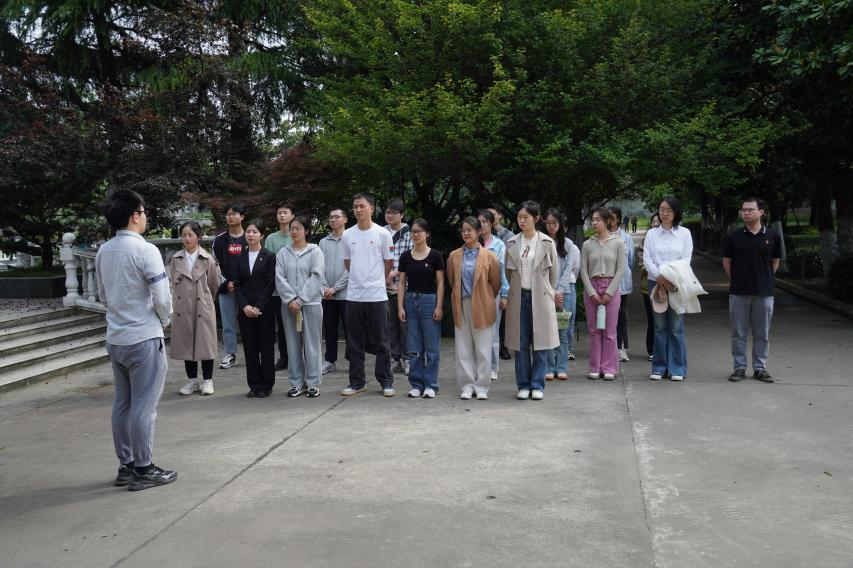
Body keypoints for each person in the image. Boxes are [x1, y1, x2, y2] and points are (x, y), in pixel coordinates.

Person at [95, 189, 175, 491]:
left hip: (116, 337)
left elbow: (103, 296)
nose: (145, 216)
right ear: (134, 215)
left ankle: (126, 465)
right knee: (144, 406)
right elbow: (162, 297)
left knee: (123, 403)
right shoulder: (145, 250)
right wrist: (164, 319)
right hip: (143, 336)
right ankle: (144, 468)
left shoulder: (104, 251)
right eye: (143, 211)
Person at [340, 193, 396, 397]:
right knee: (354, 342)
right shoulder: (347, 235)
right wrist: (359, 278)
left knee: (382, 341)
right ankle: (357, 382)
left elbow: (388, 262)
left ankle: (386, 381)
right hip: (354, 296)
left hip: (377, 296)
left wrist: (377, 280)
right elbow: (348, 263)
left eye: (362, 206)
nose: (358, 210)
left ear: (371, 208)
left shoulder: (382, 233)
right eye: (355, 206)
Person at [722, 197, 781, 383]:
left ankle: (760, 368)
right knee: (738, 333)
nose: (746, 213)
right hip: (738, 292)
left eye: (750, 209)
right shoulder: (733, 237)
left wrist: (765, 278)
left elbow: (775, 262)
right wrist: (736, 280)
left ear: (761, 212)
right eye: (743, 210)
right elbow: (727, 262)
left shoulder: (772, 236)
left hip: (764, 293)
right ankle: (739, 367)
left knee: (762, 334)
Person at [505, 201, 560, 400]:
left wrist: (546, 291)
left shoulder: (547, 242)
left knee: (541, 343)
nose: (521, 220)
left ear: (536, 219)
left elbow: (553, 275)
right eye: (519, 217)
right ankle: (523, 384)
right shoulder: (512, 243)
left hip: (540, 297)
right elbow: (508, 274)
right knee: (520, 343)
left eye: (526, 217)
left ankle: (537, 384)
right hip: (519, 297)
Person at [447, 217, 501, 399]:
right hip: (461, 303)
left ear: (479, 232)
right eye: (463, 230)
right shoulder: (454, 256)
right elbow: (452, 280)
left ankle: (482, 387)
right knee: (463, 347)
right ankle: (467, 385)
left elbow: (495, 284)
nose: (466, 233)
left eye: (470, 230)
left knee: (483, 348)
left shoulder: (490, 256)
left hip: (483, 304)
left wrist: (486, 297)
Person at [643, 196, 693, 381]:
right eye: (661, 209)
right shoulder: (651, 234)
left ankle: (677, 368)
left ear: (676, 212)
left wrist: (671, 279)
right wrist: (661, 278)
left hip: (677, 284)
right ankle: (659, 367)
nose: (664, 213)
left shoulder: (685, 233)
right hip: (656, 283)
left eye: (669, 210)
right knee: (659, 326)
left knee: (676, 327)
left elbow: (686, 260)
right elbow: (647, 259)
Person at [275, 215, 326, 398]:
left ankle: (313, 382)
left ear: (306, 231)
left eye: (298, 228)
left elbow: (316, 277)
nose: (294, 231)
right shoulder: (283, 253)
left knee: (312, 344)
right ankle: (296, 382)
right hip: (289, 306)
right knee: (292, 343)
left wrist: (301, 299)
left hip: (311, 303)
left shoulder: (315, 252)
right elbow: (279, 278)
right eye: (292, 228)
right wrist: (291, 300)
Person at [169, 221, 221, 396]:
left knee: (205, 344)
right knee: (186, 344)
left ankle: (208, 381)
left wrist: (205, 300)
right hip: (183, 307)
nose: (186, 238)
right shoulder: (176, 259)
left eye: (190, 235)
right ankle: (192, 381)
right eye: (183, 235)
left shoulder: (207, 259)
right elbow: (173, 283)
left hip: (202, 306)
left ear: (198, 237)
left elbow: (214, 284)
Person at [397, 219, 445, 398]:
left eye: (419, 231)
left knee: (431, 347)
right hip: (410, 301)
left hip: (429, 301)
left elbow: (440, 282)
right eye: (413, 231)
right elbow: (401, 283)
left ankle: (431, 384)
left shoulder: (435, 255)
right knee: (413, 346)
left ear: (427, 233)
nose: (416, 234)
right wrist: (400, 306)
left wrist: (439, 306)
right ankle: (416, 384)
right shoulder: (405, 256)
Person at [580, 208, 627, 380]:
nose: (594, 222)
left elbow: (620, 269)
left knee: (609, 330)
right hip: (592, 287)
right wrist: (591, 292)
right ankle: (595, 367)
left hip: (611, 287)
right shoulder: (587, 244)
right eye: (593, 219)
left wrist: (610, 292)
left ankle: (609, 368)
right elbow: (583, 270)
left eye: (598, 219)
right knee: (594, 330)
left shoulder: (618, 243)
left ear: (607, 221)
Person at [234, 219, 276, 397]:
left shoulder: (270, 256)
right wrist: (244, 305)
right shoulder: (240, 257)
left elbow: (270, 283)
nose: (250, 235)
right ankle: (254, 384)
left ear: (262, 235)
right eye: (248, 232)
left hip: (264, 310)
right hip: (245, 310)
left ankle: (266, 385)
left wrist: (258, 306)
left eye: (255, 232)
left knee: (266, 348)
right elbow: (237, 284)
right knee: (250, 349)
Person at [543, 208, 580, 381]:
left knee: (563, 331)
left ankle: (561, 367)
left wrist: (558, 290)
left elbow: (570, 270)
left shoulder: (569, 245)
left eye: (555, 223)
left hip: (565, 292)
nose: (551, 226)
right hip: (545, 292)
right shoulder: (541, 242)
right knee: (548, 331)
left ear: (560, 224)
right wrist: (551, 291)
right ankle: (549, 367)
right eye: (548, 223)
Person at [211, 204, 247, 370]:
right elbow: (215, 265)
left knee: (250, 320)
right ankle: (230, 354)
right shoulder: (219, 240)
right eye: (228, 214)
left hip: (247, 288)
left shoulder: (250, 236)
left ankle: (252, 352)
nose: (231, 217)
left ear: (242, 216)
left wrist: (241, 283)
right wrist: (227, 282)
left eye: (234, 214)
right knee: (228, 323)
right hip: (226, 287)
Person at [477, 210, 509, 381]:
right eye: (479, 222)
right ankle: (479, 365)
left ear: (491, 224)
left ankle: (492, 366)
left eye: (485, 222)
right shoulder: (473, 243)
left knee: (493, 331)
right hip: (476, 293)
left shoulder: (498, 245)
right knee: (477, 330)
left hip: (493, 292)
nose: (482, 225)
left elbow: (503, 270)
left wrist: (504, 294)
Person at [264, 203, 295, 371]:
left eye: (285, 212)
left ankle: (298, 357)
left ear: (292, 216)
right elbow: (268, 263)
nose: (282, 215)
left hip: (295, 289)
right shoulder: (271, 238)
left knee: (297, 326)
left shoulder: (296, 235)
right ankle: (284, 357)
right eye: (279, 213)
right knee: (281, 327)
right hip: (276, 290)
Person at [383, 198, 413, 375]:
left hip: (404, 286)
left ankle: (407, 358)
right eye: (388, 212)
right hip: (383, 287)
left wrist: (393, 275)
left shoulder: (409, 233)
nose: (390, 215)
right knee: (390, 325)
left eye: (394, 212)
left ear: (402, 215)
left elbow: (410, 258)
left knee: (405, 325)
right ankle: (394, 359)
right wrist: (384, 277)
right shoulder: (380, 232)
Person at [319, 207, 349, 375]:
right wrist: (325, 288)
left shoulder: (351, 239)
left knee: (350, 329)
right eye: (331, 217)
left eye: (337, 217)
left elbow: (352, 268)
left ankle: (353, 360)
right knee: (329, 329)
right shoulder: (323, 242)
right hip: (327, 296)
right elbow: (318, 267)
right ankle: (330, 361)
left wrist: (336, 288)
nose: (333, 220)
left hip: (346, 294)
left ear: (345, 219)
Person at [487, 203, 514, 361]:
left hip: (505, 280)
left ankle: (503, 346)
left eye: (493, 214)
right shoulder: (481, 237)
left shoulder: (508, 236)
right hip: (487, 287)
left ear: (500, 216)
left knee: (502, 318)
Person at [610, 207, 636, 362]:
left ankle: (621, 348)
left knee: (620, 314)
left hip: (622, 283)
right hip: (604, 283)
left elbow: (630, 261)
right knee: (606, 316)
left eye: (612, 217)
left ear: (618, 219)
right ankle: (608, 347)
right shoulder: (599, 236)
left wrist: (623, 272)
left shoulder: (626, 238)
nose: (609, 220)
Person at [639, 213, 661, 361]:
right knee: (653, 319)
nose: (655, 224)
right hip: (649, 285)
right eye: (653, 221)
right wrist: (655, 271)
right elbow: (641, 261)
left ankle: (664, 349)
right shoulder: (646, 239)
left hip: (669, 285)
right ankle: (652, 349)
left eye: (658, 221)